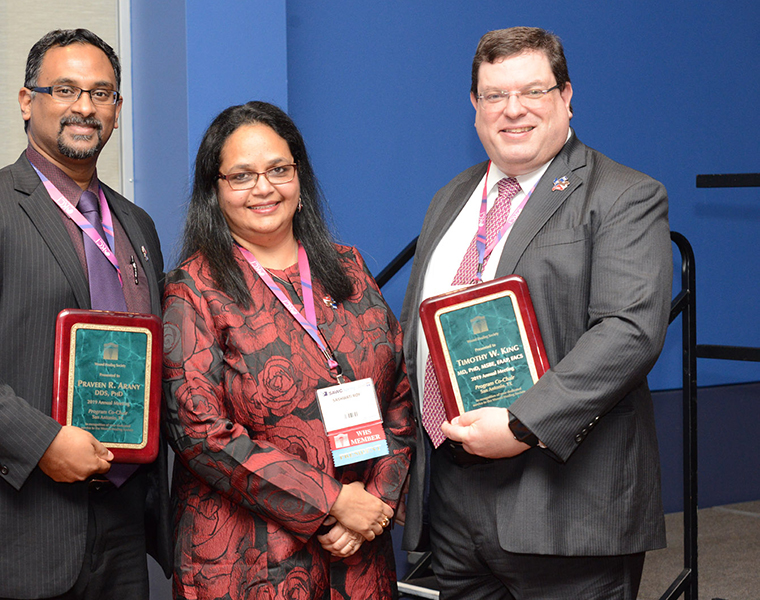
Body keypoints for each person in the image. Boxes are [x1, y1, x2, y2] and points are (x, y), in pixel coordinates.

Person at [0, 29, 171, 599]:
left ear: (117, 112)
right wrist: (42, 441)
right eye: (65, 89)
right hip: (6, 536)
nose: (84, 107)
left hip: (119, 533)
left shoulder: (137, 226)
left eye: (101, 94)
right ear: (27, 101)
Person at [400, 27, 671, 599]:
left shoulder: (623, 195)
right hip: (453, 496)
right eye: (495, 95)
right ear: (474, 106)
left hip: (566, 502)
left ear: (567, 97)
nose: (513, 110)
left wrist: (522, 424)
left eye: (533, 91)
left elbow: (629, 332)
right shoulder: (451, 197)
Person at [162, 101, 416, 599]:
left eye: (279, 169)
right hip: (249, 563)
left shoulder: (348, 269)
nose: (264, 187)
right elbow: (200, 434)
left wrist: (376, 501)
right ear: (214, 191)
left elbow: (400, 396)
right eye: (241, 175)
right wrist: (332, 502)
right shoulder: (194, 289)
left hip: (359, 554)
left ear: (299, 179)